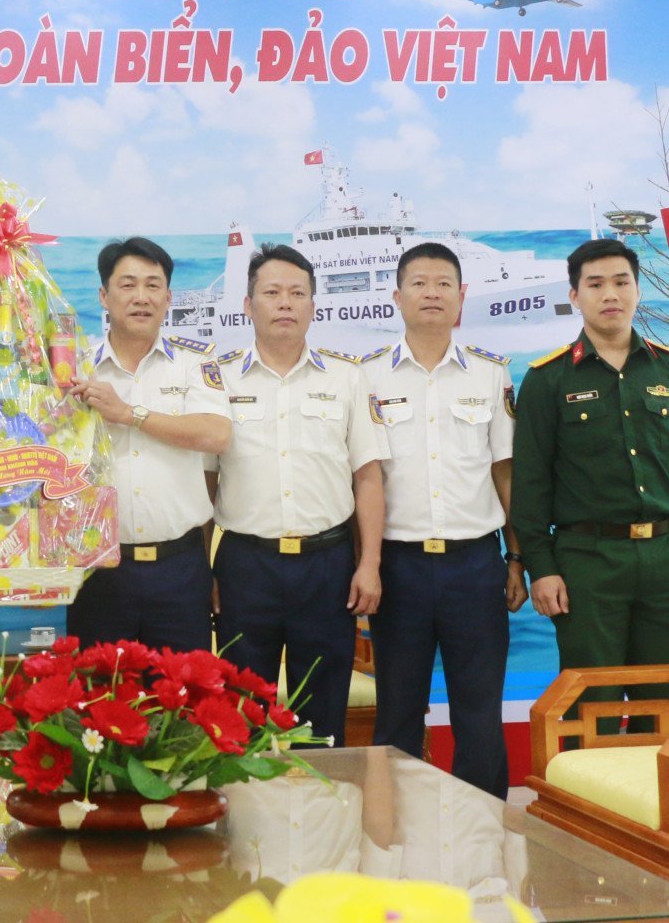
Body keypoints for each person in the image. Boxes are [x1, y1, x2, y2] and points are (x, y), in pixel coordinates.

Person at [512, 238, 669, 733]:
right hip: (588, 565)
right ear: (575, 296)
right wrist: (540, 568)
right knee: (592, 711)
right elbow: (530, 484)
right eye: (596, 284)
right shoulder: (547, 380)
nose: (610, 294)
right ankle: (593, 810)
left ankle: (663, 811)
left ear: (637, 289)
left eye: (621, 282)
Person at [359, 243, 526, 797]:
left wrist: (517, 557)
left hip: (474, 567)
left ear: (461, 297)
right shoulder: (366, 379)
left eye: (443, 284)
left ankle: (485, 850)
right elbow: (363, 479)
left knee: (478, 715)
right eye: (420, 283)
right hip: (398, 568)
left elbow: (506, 474)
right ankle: (393, 843)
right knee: (398, 714)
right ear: (397, 296)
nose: (432, 293)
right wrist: (369, 565)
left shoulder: (490, 374)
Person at [212, 244, 385, 748]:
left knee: (321, 717)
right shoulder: (217, 379)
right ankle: (245, 822)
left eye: (297, 293)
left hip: (326, 565)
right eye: (271, 293)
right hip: (246, 564)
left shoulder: (347, 377)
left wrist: (369, 563)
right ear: (248, 305)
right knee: (242, 715)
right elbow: (204, 480)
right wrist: (206, 567)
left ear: (313, 305)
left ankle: (322, 823)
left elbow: (368, 477)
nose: (284, 303)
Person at [63, 237, 229, 650]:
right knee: (99, 704)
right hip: (96, 570)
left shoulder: (196, 363)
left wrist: (127, 414)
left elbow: (216, 433)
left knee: (182, 704)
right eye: (128, 285)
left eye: (153, 285)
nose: (141, 297)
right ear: (104, 295)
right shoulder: (74, 371)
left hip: (180, 569)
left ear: (169, 297)